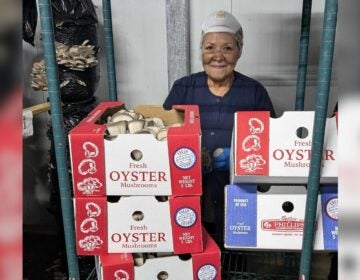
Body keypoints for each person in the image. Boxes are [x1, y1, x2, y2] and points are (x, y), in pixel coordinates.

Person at [163, 10, 275, 246]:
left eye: (227, 48)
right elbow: (163, 133)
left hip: (237, 192)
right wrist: (192, 155)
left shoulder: (254, 92)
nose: (218, 56)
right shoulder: (183, 88)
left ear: (239, 51)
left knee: (234, 247)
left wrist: (236, 155)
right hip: (190, 187)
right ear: (201, 52)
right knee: (192, 243)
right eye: (210, 47)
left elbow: (272, 142)